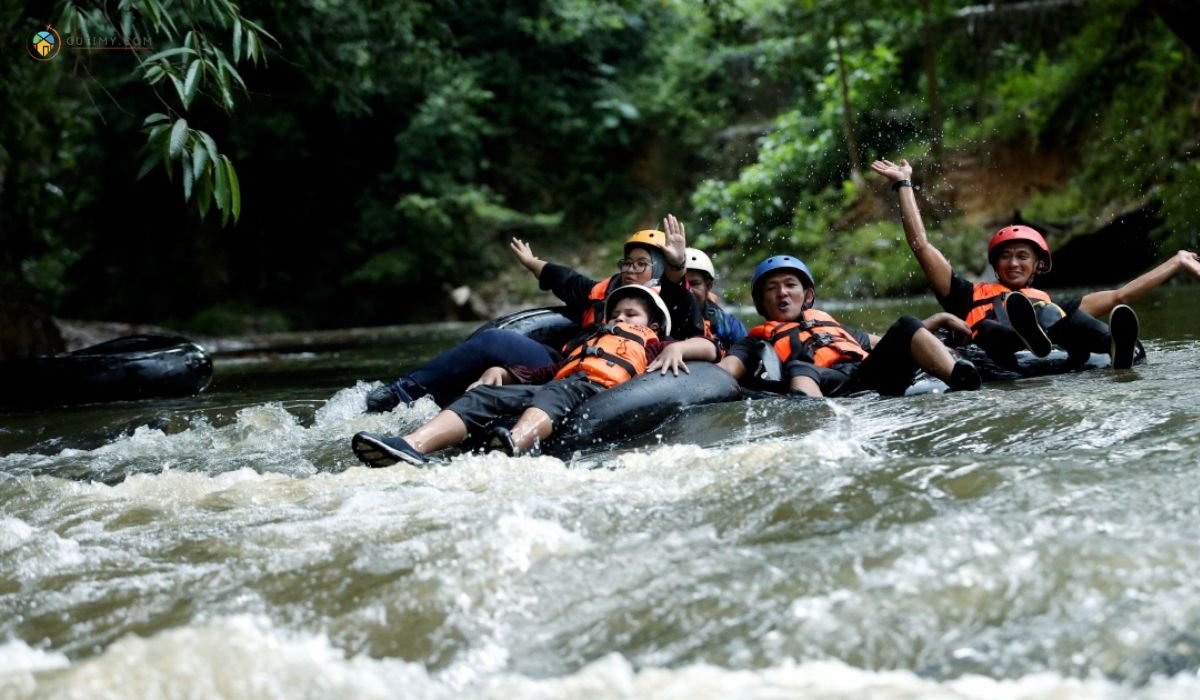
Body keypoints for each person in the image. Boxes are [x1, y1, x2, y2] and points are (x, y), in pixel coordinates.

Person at [870, 158, 1198, 370]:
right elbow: (921, 246)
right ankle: (1024, 336)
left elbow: (1119, 297)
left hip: (1048, 339)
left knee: (1068, 317)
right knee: (987, 326)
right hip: (992, 350)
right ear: (995, 264)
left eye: (1022, 256)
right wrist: (904, 184)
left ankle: (1114, 347)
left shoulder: (1049, 302)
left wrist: (1177, 261)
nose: (1013, 262)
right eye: (1006, 256)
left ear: (1037, 266)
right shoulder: (965, 294)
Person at [351, 284, 720, 466]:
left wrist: (678, 348)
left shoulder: (656, 344)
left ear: (652, 324)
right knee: (484, 396)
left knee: (553, 394)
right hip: (559, 385)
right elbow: (545, 372)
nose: (620, 319)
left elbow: (711, 350)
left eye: (631, 315)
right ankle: (411, 446)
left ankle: (513, 443)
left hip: (594, 393)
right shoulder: (589, 340)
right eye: (616, 313)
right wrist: (504, 372)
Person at [365, 214, 704, 411]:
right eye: (627, 262)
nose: (631, 269)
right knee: (493, 342)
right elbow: (563, 279)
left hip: (628, 378)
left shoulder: (671, 298)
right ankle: (403, 394)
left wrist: (676, 266)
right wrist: (531, 263)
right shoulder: (601, 292)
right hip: (569, 365)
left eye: (642, 264)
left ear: (661, 268)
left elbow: (692, 323)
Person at [717, 255, 982, 397]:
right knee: (800, 365)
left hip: (868, 375)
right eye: (772, 289)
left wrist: (933, 323)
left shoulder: (830, 326)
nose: (782, 294)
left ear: (807, 295)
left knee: (906, 323)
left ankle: (959, 378)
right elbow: (726, 371)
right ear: (761, 302)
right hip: (824, 384)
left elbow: (893, 342)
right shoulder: (754, 343)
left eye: (790, 285)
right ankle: (814, 420)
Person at [684, 247, 748, 350]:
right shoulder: (660, 319)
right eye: (682, 284)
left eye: (694, 284)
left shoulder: (727, 324)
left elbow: (746, 354)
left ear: (708, 286)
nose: (688, 290)